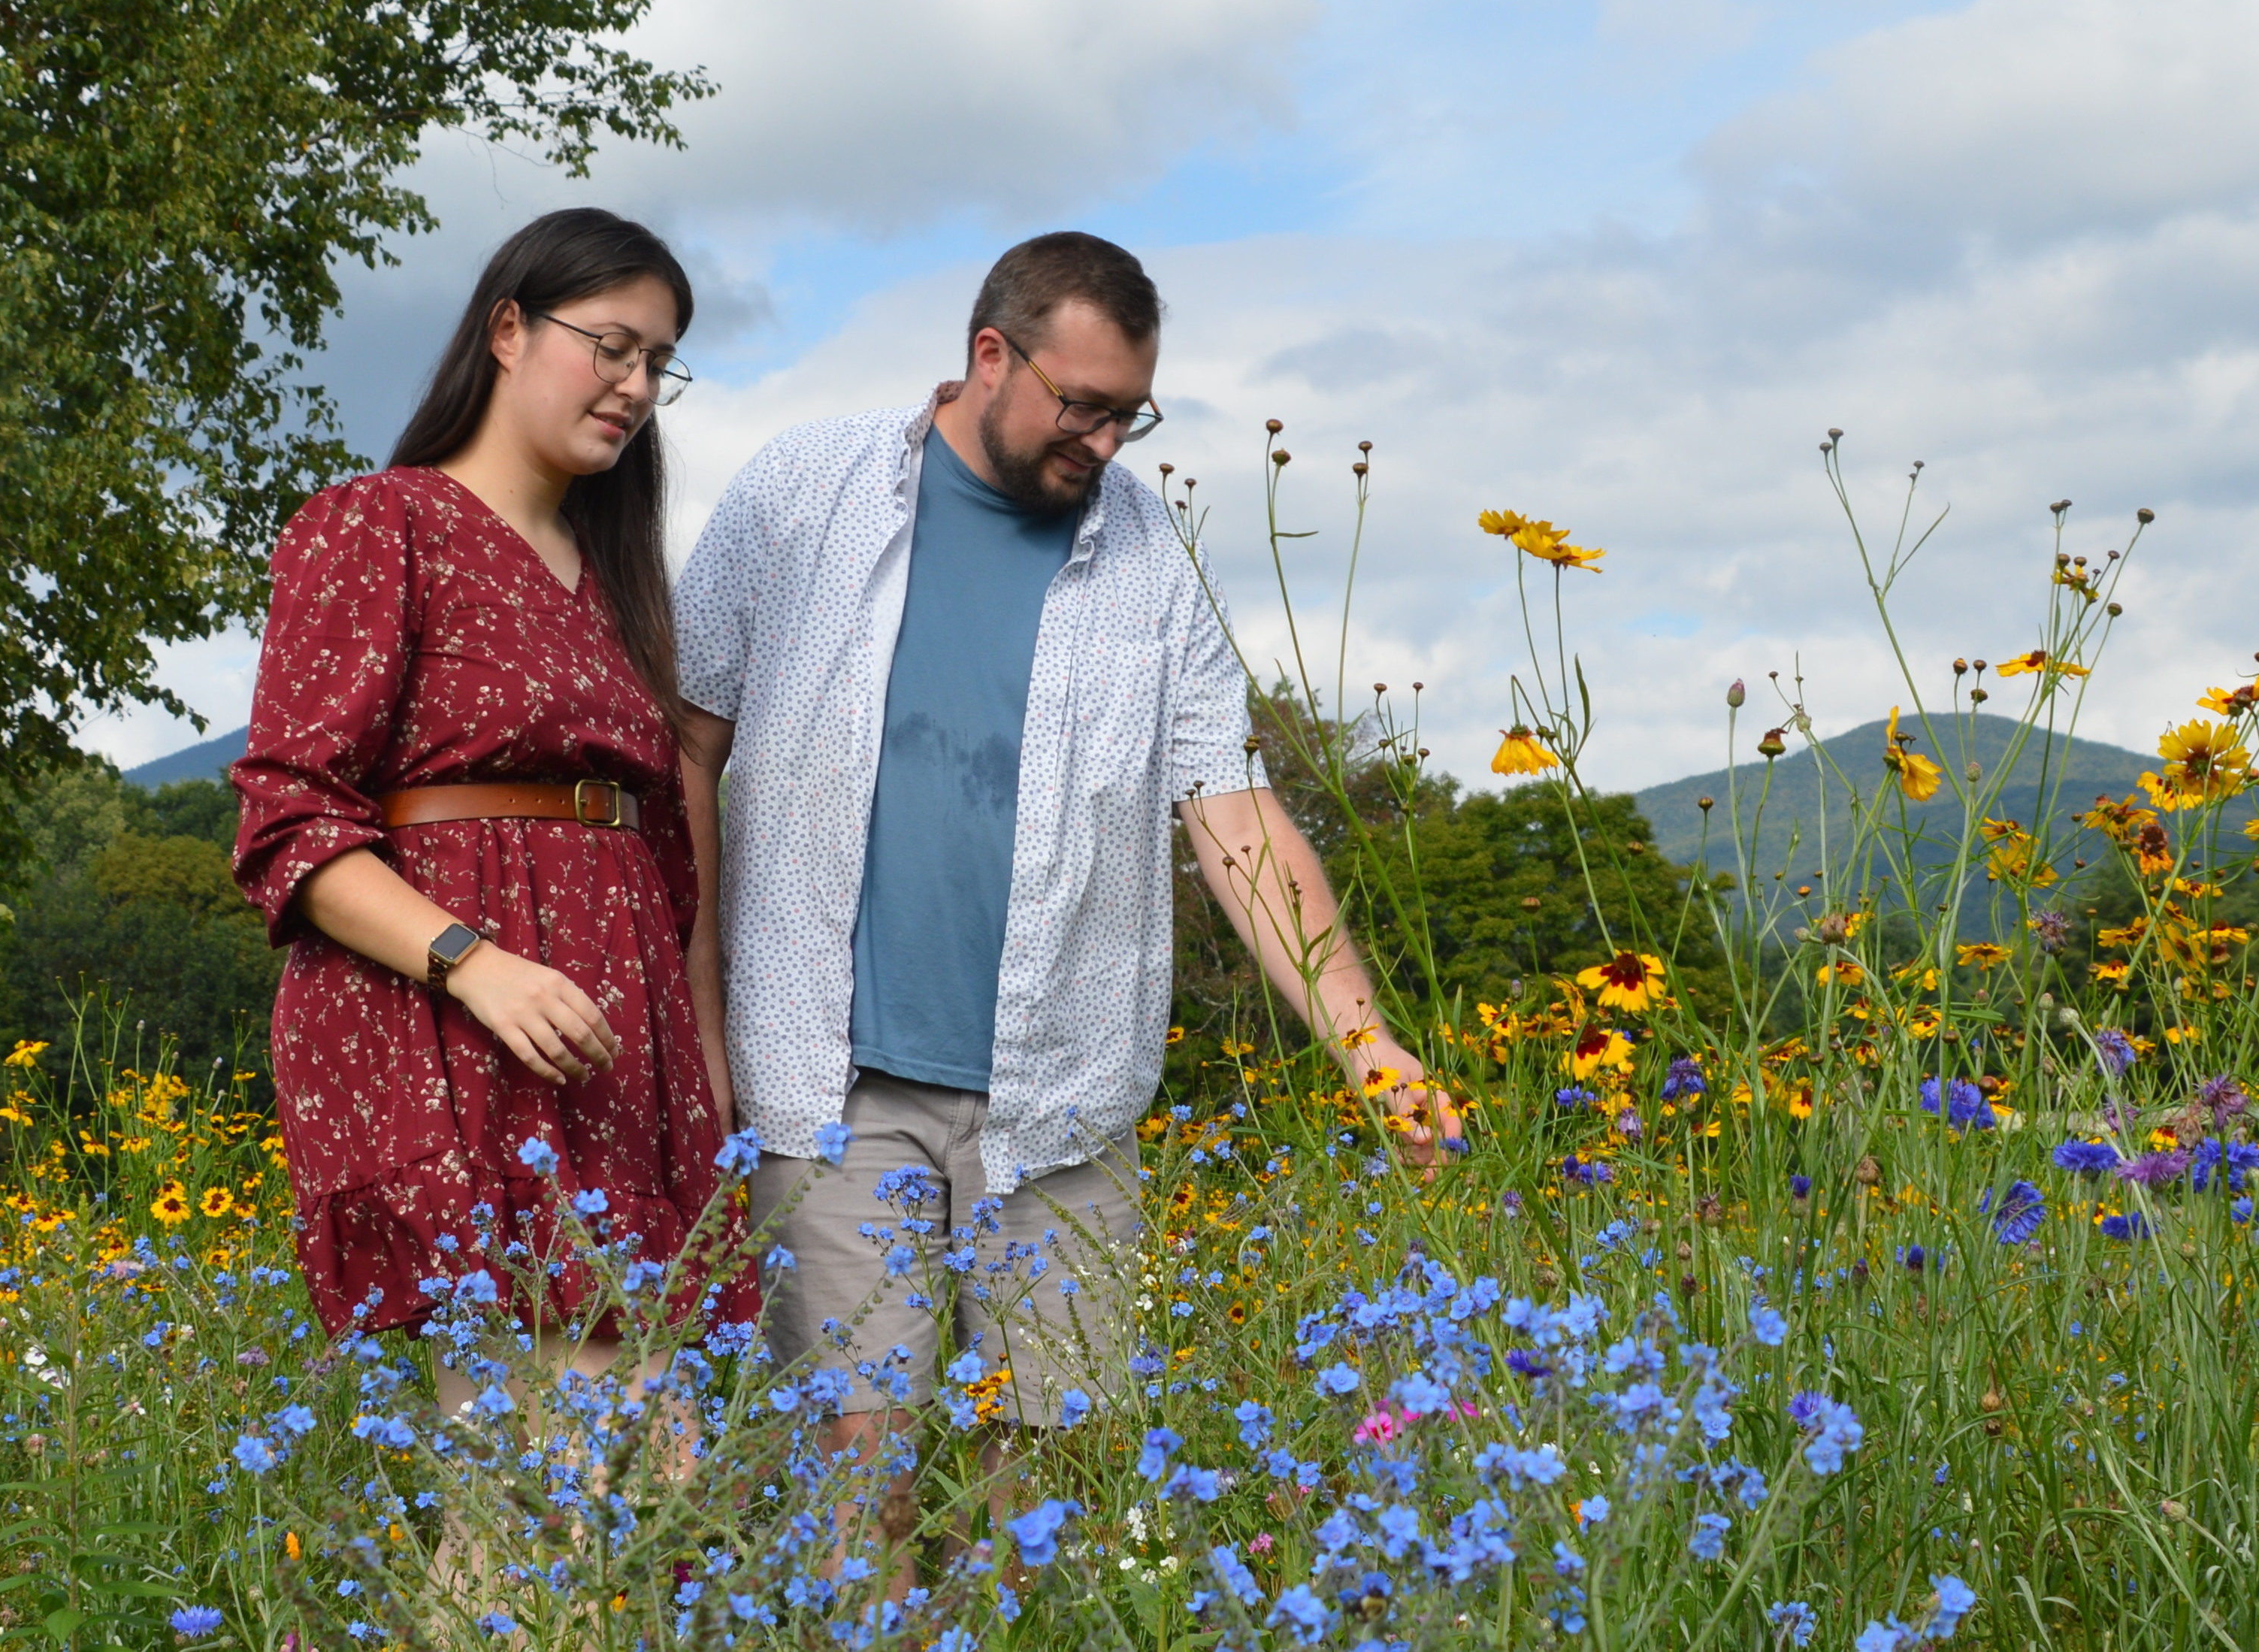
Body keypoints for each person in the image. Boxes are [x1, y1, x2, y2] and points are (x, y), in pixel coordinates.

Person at [673, 231, 1459, 1574]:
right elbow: (688, 744)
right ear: (991, 355)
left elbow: (1231, 811)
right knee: (853, 1506)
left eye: (1126, 413)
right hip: (827, 1082)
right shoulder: (808, 487)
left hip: (1066, 1102)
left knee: (1047, 1514)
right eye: (1078, 405)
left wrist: (1366, 1041)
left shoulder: (1146, 550)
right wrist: (692, 1021)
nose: (1102, 441)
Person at [231, 207, 755, 1411]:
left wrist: (696, 1040)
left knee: (638, 1475)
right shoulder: (381, 521)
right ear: (508, 330)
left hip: (615, 1043)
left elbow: (671, 850)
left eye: (660, 364)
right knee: (558, 1479)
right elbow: (290, 817)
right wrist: (476, 965)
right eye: (612, 346)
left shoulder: (613, 578)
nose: (635, 386)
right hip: (455, 1025)